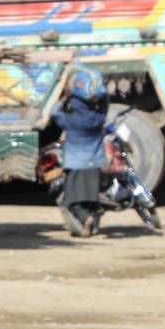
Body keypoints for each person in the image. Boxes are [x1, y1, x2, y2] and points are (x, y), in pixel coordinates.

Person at [52, 67, 109, 236]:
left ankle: (85, 219)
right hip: (94, 164)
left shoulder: (69, 119)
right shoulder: (97, 118)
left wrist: (64, 97)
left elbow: (55, 113)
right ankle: (92, 218)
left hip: (76, 165)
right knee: (91, 199)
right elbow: (105, 105)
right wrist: (104, 95)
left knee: (72, 201)